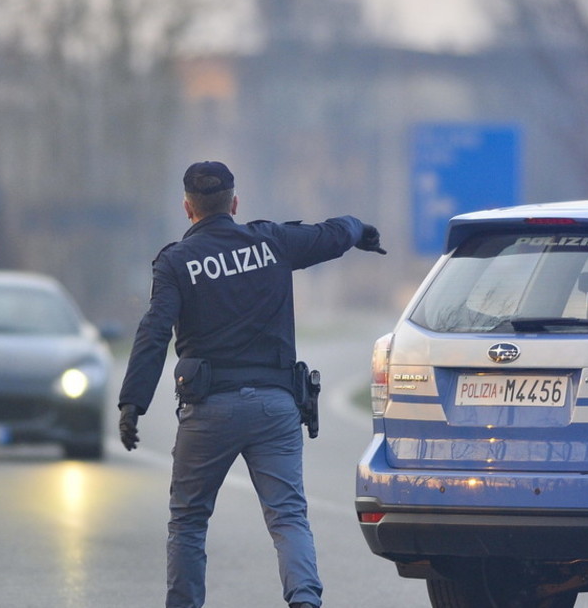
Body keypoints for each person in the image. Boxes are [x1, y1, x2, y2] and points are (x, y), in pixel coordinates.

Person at [117, 161, 386, 608]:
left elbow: (154, 331)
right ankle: (304, 600)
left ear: (188, 208)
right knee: (288, 517)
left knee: (188, 522)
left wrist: (132, 403)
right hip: (275, 409)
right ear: (234, 203)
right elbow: (331, 234)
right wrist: (362, 230)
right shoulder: (272, 242)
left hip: (208, 413)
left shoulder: (176, 262)